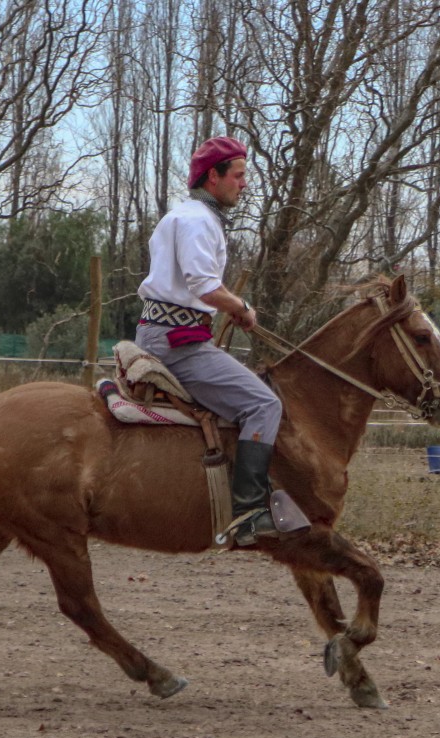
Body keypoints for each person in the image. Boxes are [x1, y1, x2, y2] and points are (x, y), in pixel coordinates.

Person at [132, 136, 282, 545]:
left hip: (169, 332)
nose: (244, 184)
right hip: (177, 343)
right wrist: (240, 308)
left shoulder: (186, 217)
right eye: (238, 175)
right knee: (264, 403)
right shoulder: (198, 221)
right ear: (213, 178)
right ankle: (249, 513)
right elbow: (202, 284)